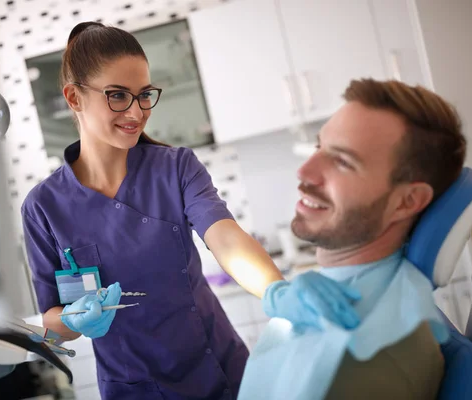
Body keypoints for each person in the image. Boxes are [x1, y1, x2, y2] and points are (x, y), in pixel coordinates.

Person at [21, 22, 361, 400]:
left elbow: (225, 238)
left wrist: (277, 291)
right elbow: (51, 324)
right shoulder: (43, 207)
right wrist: (70, 320)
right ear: (74, 98)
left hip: (221, 372)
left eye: (144, 94)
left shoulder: (175, 167)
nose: (136, 111)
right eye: (117, 95)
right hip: (133, 390)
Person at [248, 78, 467, 399]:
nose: (304, 172)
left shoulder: (356, 367)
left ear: (406, 201)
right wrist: (277, 295)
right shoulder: (367, 292)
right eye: (318, 147)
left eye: (342, 161)